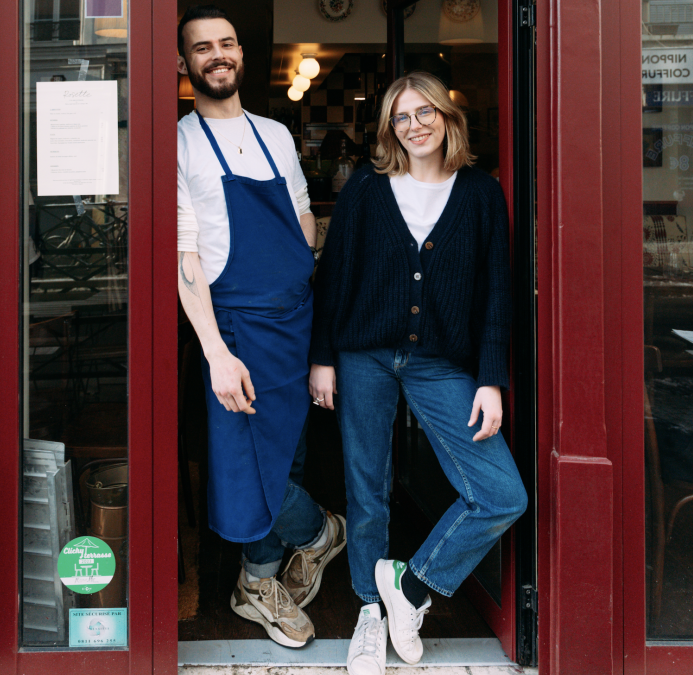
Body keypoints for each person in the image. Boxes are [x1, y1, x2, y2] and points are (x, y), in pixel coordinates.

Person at [308, 71, 528, 675]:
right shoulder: (366, 190)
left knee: (501, 494)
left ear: (448, 118)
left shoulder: (482, 193)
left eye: (426, 112)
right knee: (367, 487)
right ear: (389, 130)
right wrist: (323, 358)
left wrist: (490, 378)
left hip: (440, 363)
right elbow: (334, 278)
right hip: (363, 356)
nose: (415, 125)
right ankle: (368, 616)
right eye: (402, 117)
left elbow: (494, 295)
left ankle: (409, 587)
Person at [176, 4, 345, 649]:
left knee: (289, 454)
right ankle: (323, 534)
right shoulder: (180, 144)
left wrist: (299, 282)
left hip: (295, 320)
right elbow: (184, 256)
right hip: (237, 325)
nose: (217, 55)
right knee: (247, 461)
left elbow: (303, 218)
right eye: (202, 48)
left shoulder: (276, 133)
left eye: (226, 43)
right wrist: (215, 350)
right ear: (185, 63)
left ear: (240, 53)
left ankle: (257, 583)